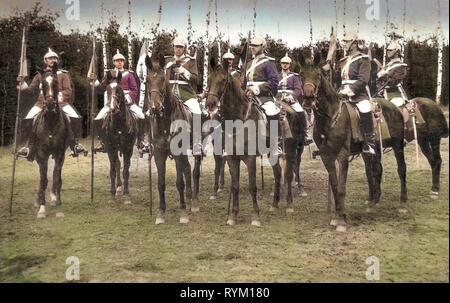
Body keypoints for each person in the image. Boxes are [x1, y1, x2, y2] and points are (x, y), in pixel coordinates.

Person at [17, 48, 87, 161]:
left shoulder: (63, 74)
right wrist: (23, 84)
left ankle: (75, 145)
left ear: (57, 60)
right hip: (41, 103)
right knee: (28, 118)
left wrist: (58, 97)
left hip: (61, 103)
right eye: (50, 58)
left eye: (55, 58)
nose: (53, 60)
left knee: (75, 117)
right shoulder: (40, 75)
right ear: (45, 60)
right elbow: (31, 90)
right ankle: (28, 146)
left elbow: (68, 90)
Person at [94, 50, 145, 153]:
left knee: (141, 116)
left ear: (124, 62)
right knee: (98, 118)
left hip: (127, 102)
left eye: (121, 60)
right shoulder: (109, 74)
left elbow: (135, 90)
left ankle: (141, 140)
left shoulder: (129, 74)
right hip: (112, 102)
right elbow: (102, 88)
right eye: (117, 60)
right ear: (114, 62)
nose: (119, 62)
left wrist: (127, 98)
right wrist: (94, 82)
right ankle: (102, 141)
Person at [338, 31, 376, 155]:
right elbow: (341, 80)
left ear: (354, 43)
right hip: (342, 93)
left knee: (365, 109)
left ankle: (370, 143)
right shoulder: (343, 60)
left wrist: (350, 90)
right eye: (344, 42)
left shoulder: (363, 59)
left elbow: (363, 79)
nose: (345, 44)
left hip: (359, 94)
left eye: (347, 42)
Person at [243, 37, 281, 153]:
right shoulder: (248, 63)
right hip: (247, 96)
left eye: (256, 45)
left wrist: (256, 89)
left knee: (271, 111)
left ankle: (275, 143)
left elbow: (274, 82)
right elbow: (244, 82)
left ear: (263, 47)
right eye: (251, 45)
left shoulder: (268, 63)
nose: (252, 47)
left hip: (263, 96)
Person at [277, 53, 311, 145]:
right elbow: (272, 88)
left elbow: (298, 89)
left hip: (290, 100)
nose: (285, 65)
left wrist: (291, 97)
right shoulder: (276, 76)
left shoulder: (294, 76)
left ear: (289, 65)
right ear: (280, 64)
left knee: (301, 112)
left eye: (287, 63)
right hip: (278, 100)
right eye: (283, 63)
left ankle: (305, 135)